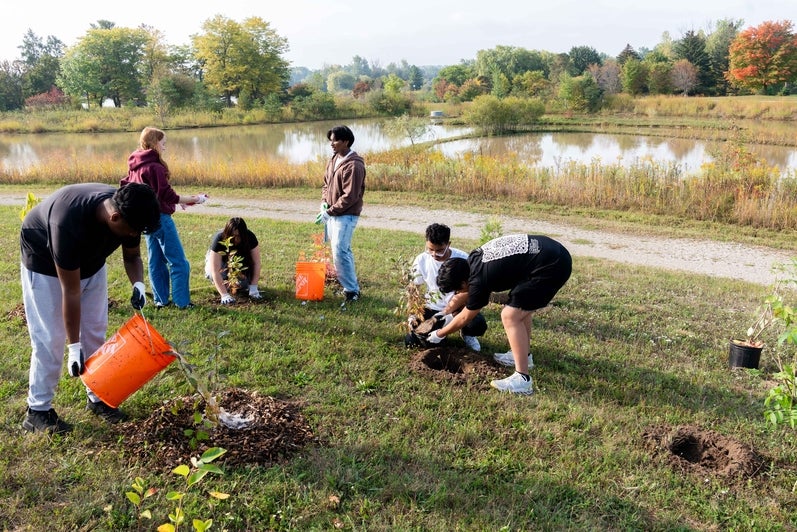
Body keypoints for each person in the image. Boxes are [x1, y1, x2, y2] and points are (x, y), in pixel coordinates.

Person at [20, 182, 161, 433]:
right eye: (131, 231)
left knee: (96, 330)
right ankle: (37, 411)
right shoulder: (67, 224)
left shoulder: (129, 211)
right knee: (50, 338)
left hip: (91, 263)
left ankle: (98, 396)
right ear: (115, 217)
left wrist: (138, 284)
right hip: (44, 264)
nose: (132, 236)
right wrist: (73, 347)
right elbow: (71, 291)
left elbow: (132, 256)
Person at [430, 234, 572, 395]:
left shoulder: (478, 279)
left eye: (457, 290)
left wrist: (439, 333)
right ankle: (523, 355)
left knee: (510, 315)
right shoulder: (474, 261)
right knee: (519, 307)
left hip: (551, 266)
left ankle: (522, 379)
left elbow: (465, 317)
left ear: (464, 283)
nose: (457, 293)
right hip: (552, 252)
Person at [120, 126, 207, 310]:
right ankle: (182, 303)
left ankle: (161, 300)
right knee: (179, 262)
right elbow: (166, 195)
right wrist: (194, 199)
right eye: (163, 143)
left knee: (156, 261)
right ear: (154, 143)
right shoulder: (154, 166)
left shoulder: (136, 164)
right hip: (160, 219)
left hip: (146, 220)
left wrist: (178, 202)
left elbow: (154, 194)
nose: (165, 147)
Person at [407, 223, 486, 351]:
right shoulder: (421, 260)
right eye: (430, 249)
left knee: (476, 324)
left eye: (439, 250)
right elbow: (413, 289)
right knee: (411, 341)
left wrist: (449, 315)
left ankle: (466, 333)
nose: (433, 254)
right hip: (431, 306)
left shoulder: (463, 259)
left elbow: (467, 292)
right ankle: (440, 335)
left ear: (448, 244)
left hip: (459, 307)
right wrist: (412, 313)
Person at [315, 125, 365, 305]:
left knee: (340, 250)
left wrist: (330, 212)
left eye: (335, 140)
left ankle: (352, 290)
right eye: (330, 140)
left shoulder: (354, 165)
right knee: (342, 250)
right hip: (332, 212)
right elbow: (326, 184)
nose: (331, 144)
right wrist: (324, 203)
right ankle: (348, 285)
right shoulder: (334, 158)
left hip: (346, 215)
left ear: (346, 141)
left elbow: (350, 196)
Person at [204, 217, 263, 304]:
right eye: (232, 236)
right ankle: (224, 286)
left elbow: (256, 263)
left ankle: (231, 285)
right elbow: (215, 269)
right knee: (211, 273)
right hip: (222, 263)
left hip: (240, 264)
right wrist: (224, 295)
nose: (235, 239)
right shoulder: (219, 238)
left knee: (242, 285)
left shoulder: (250, 237)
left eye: (238, 236)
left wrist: (253, 287)